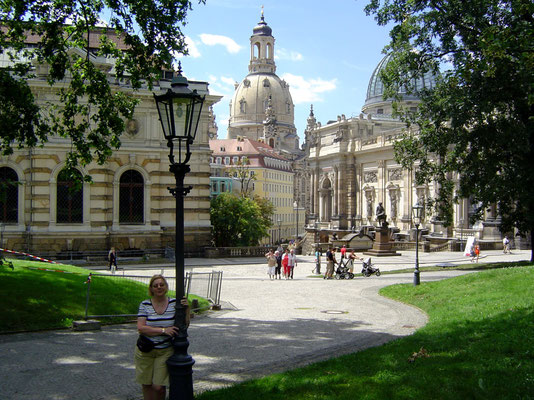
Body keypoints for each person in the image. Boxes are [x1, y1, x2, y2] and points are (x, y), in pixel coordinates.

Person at [135, 274, 190, 400]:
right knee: (146, 384)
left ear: (166, 287)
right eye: (155, 286)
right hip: (145, 350)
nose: (159, 287)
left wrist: (187, 309)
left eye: (161, 285)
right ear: (151, 289)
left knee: (158, 387)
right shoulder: (145, 305)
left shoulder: (173, 303)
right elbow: (141, 328)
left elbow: (184, 325)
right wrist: (164, 330)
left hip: (164, 351)